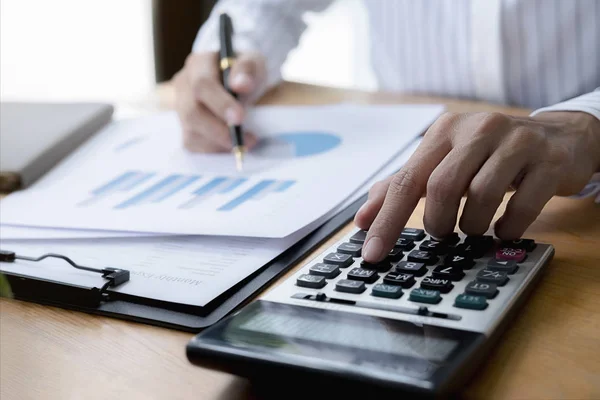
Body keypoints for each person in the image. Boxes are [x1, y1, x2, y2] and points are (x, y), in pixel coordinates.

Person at [173, 0, 600, 263]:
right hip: (398, 159)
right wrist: (238, 47)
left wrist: (587, 123)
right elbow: (268, 6)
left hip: (577, 197)